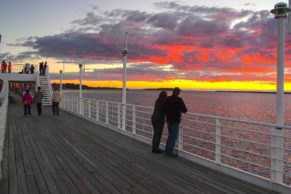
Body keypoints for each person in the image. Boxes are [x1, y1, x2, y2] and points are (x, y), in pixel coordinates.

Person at [164, 87, 187, 157]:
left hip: (169, 120)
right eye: (179, 91)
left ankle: (167, 151)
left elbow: (164, 108)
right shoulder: (179, 100)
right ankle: (169, 152)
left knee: (170, 136)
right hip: (175, 120)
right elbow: (184, 110)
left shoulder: (167, 98)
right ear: (177, 92)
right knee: (173, 137)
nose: (180, 92)